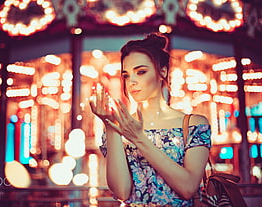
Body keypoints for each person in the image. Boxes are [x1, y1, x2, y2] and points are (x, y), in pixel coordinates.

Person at [90, 33, 211, 207]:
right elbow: (122, 192)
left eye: (141, 72)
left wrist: (138, 138)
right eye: (126, 75)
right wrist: (110, 127)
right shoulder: (121, 126)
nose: (131, 81)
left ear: (162, 71)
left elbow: (188, 187)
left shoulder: (194, 124)